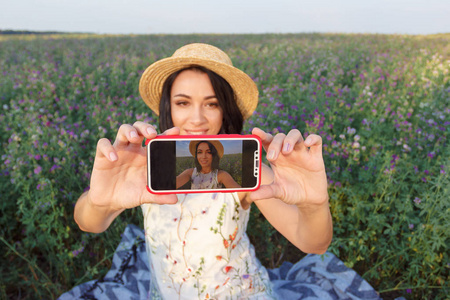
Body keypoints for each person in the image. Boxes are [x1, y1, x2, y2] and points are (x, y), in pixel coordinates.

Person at [73, 43, 333, 299]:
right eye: (183, 103)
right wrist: (99, 202)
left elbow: (313, 243)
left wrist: (314, 203)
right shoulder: (145, 167)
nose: (197, 119)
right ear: (169, 107)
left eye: (211, 104)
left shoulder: (241, 172)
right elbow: (89, 223)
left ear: (225, 109)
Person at [176, 140, 241, 189]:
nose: (203, 156)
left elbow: (240, 192)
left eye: (209, 152)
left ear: (214, 155)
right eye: (199, 152)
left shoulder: (220, 175)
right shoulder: (190, 172)